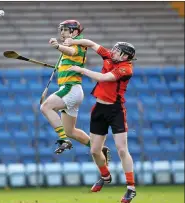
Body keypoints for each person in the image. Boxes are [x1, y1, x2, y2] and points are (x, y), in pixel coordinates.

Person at [64, 38, 137, 203]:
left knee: (122, 150)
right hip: (99, 110)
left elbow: (104, 78)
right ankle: (105, 175)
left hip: (116, 111)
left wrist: (81, 70)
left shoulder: (126, 69)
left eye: (117, 51)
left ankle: (131, 188)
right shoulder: (109, 57)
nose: (113, 52)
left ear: (125, 56)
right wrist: (72, 41)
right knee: (95, 150)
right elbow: (90, 43)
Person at [40, 20, 109, 164]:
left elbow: (72, 52)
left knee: (45, 107)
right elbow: (71, 58)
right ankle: (98, 148)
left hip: (70, 88)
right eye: (61, 30)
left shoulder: (78, 42)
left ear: (75, 31)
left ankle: (63, 140)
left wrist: (58, 46)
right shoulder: (69, 43)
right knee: (71, 131)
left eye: (65, 30)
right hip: (72, 90)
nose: (62, 33)